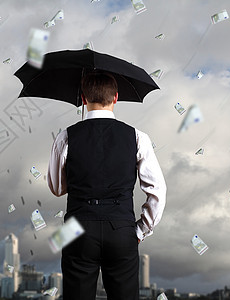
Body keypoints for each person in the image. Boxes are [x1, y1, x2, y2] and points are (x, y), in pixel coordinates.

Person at [47, 71, 166, 300]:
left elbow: (57, 188)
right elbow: (158, 191)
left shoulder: (66, 137)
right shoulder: (138, 137)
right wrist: (141, 230)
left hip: (76, 228)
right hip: (121, 228)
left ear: (83, 99)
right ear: (116, 97)